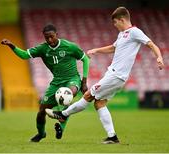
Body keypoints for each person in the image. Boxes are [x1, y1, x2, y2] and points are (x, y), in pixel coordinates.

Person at [45, 7, 165, 144]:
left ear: (122, 20)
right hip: (116, 76)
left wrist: (159, 57)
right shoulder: (122, 35)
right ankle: (112, 136)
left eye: (115, 23)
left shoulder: (134, 32)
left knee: (88, 95)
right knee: (99, 103)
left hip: (116, 75)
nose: (114, 25)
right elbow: (113, 48)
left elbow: (151, 44)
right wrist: (96, 50)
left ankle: (62, 114)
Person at [1, 24, 90, 142]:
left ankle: (61, 127)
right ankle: (41, 133)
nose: (50, 40)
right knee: (41, 112)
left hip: (72, 79)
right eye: (46, 38)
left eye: (52, 37)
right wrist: (12, 45)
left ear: (57, 35)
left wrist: (84, 82)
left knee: (67, 94)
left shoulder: (70, 46)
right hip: (56, 82)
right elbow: (24, 55)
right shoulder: (42, 49)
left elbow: (86, 59)